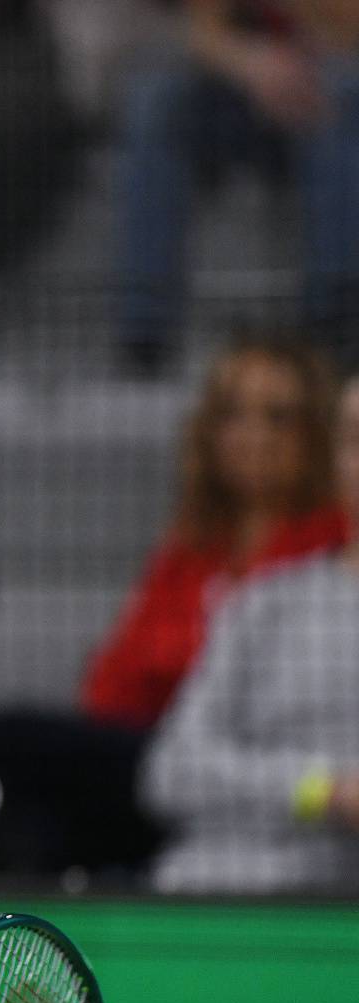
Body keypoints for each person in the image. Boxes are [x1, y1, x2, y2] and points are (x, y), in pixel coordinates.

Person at [0, 332, 347, 878]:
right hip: (159, 755)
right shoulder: (192, 546)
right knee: (33, 814)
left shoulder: (329, 548)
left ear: (318, 435)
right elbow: (116, 676)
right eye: (233, 414)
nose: (253, 436)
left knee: (9, 741)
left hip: (242, 773)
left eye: (279, 417)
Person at [141, 373, 359, 892]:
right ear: (337, 461)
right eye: (357, 439)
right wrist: (324, 791)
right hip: (221, 884)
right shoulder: (267, 603)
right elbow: (171, 770)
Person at [114, 0, 359, 371]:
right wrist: (253, 65)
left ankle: (334, 322)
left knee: (341, 105)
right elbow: (204, 34)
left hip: (324, 89)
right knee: (154, 105)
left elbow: (347, 32)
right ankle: (145, 328)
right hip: (244, 91)